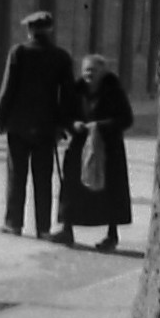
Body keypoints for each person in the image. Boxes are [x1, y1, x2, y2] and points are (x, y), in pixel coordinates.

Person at [0, 11, 77, 238]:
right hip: (46, 127)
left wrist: (1, 118)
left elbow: (8, 88)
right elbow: (68, 95)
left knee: (16, 175)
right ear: (50, 30)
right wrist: (63, 124)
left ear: (30, 30)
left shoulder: (19, 52)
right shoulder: (61, 56)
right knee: (43, 177)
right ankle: (43, 227)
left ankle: (14, 223)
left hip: (18, 125)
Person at [56, 53, 134, 253]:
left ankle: (111, 235)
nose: (89, 74)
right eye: (86, 70)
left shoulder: (114, 91)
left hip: (109, 149)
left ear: (103, 72)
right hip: (80, 145)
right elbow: (64, 114)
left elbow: (126, 119)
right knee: (72, 186)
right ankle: (67, 229)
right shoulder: (76, 90)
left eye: (94, 70)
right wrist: (74, 124)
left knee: (110, 191)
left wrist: (99, 126)